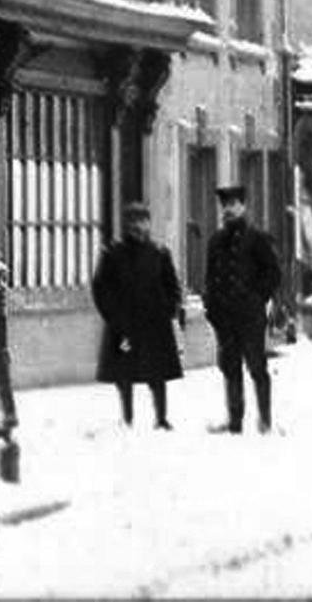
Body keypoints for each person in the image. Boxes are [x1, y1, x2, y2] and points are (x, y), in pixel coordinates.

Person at [92, 201, 185, 431]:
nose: (139, 227)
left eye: (143, 221)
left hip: (155, 323)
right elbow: (101, 288)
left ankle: (161, 417)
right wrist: (113, 316)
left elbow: (172, 285)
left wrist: (168, 308)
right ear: (126, 225)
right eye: (134, 222)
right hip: (124, 323)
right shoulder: (113, 254)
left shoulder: (159, 253)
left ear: (149, 223)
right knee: (124, 372)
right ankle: (127, 417)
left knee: (158, 373)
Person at [204, 183, 283, 435]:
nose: (228, 209)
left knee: (257, 367)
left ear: (243, 206)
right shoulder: (216, 241)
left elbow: (273, 273)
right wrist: (211, 306)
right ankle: (235, 420)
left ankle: (265, 420)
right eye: (225, 205)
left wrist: (257, 297)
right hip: (225, 316)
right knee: (230, 366)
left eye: (233, 204)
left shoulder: (257, 238)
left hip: (249, 316)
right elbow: (210, 277)